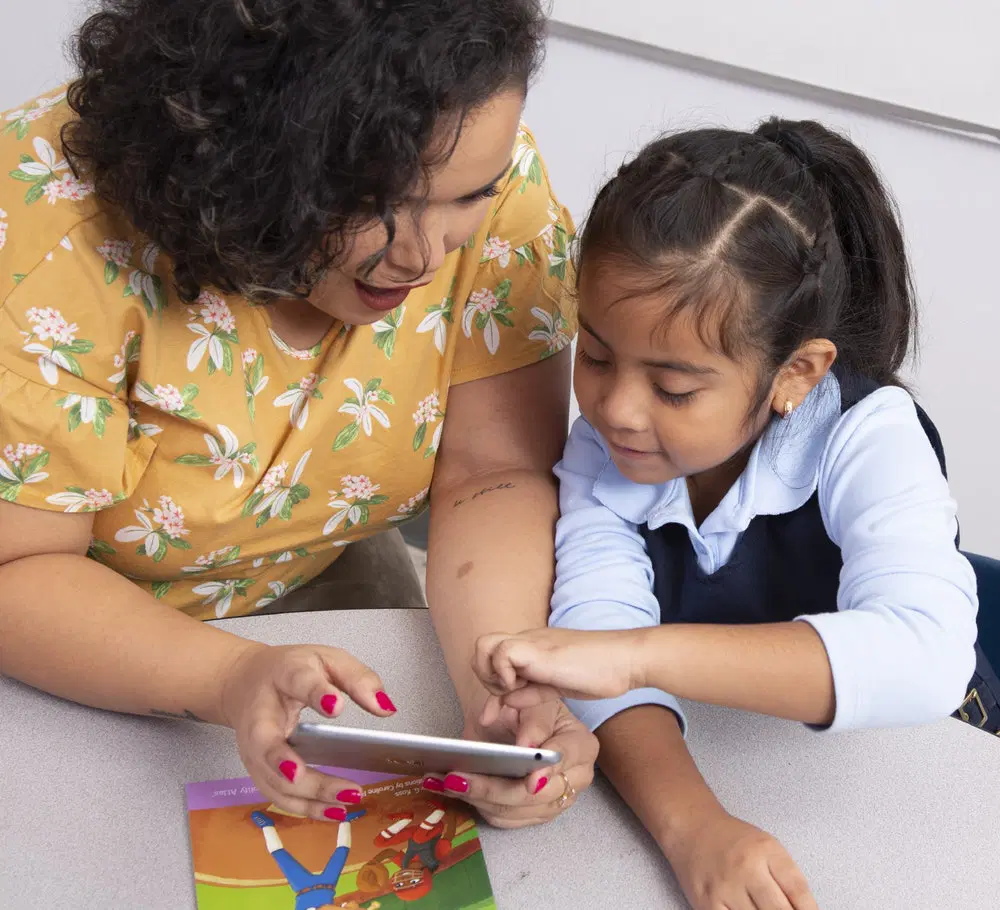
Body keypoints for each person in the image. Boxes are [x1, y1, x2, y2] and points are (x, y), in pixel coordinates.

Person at [0, 0, 597, 830]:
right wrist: (225, 678)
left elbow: (491, 474)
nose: (423, 257)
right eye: (377, 201)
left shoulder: (488, 179)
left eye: (467, 197)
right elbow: (17, 570)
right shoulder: (44, 226)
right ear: (239, 155)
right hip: (68, 622)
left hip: (320, 572)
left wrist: (501, 679)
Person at [473, 119, 980, 910]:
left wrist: (637, 657)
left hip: (909, 772)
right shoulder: (601, 448)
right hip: (731, 757)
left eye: (674, 388)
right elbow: (596, 631)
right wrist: (693, 826)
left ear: (797, 374)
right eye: (596, 354)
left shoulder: (871, 436)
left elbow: (924, 657)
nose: (615, 407)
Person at [252, 809, 366, 910]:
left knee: (280, 856)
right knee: (342, 852)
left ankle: (267, 826)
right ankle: (345, 822)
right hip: (328, 882)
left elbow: (325, 908)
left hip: (302, 885)